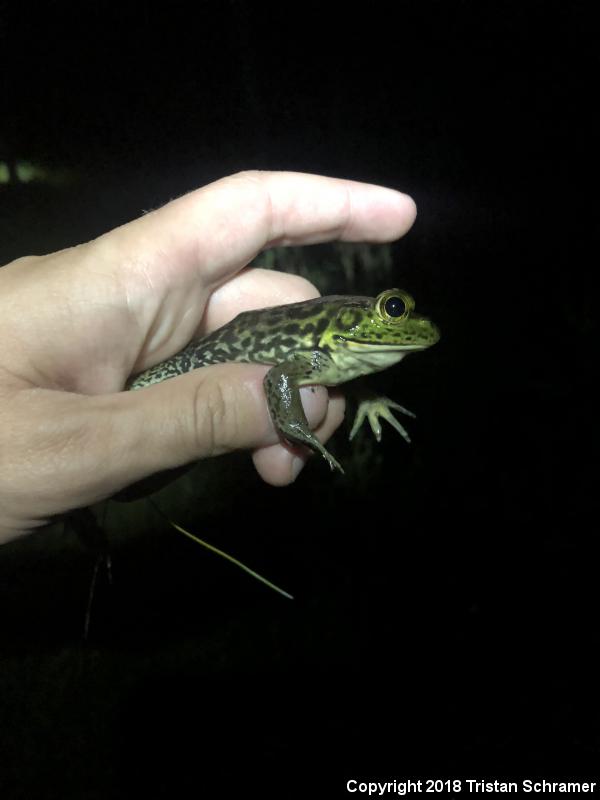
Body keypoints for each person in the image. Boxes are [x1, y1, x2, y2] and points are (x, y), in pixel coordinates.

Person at [0, 171, 417, 543]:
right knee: (132, 415)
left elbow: (337, 372)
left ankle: (89, 511)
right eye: (393, 311)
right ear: (347, 319)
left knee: (129, 479)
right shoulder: (318, 354)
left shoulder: (335, 357)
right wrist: (293, 426)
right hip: (180, 365)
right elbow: (278, 380)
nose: (399, 319)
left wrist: (369, 397)